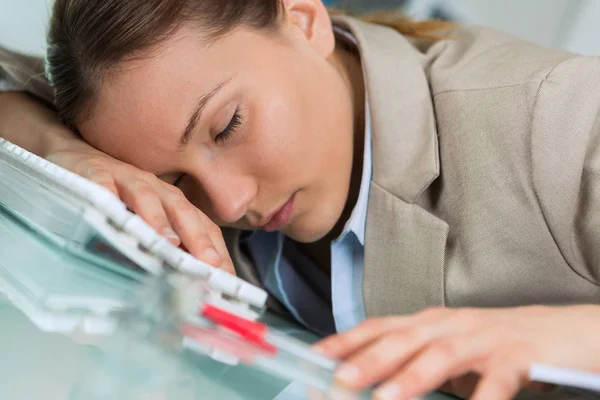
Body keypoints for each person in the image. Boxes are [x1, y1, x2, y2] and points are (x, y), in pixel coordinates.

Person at [1, 0, 599, 398]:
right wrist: (69, 153)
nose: (229, 205)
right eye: (172, 180)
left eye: (228, 126)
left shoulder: (558, 116)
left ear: (304, 18)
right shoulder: (160, 123)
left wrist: (551, 337)